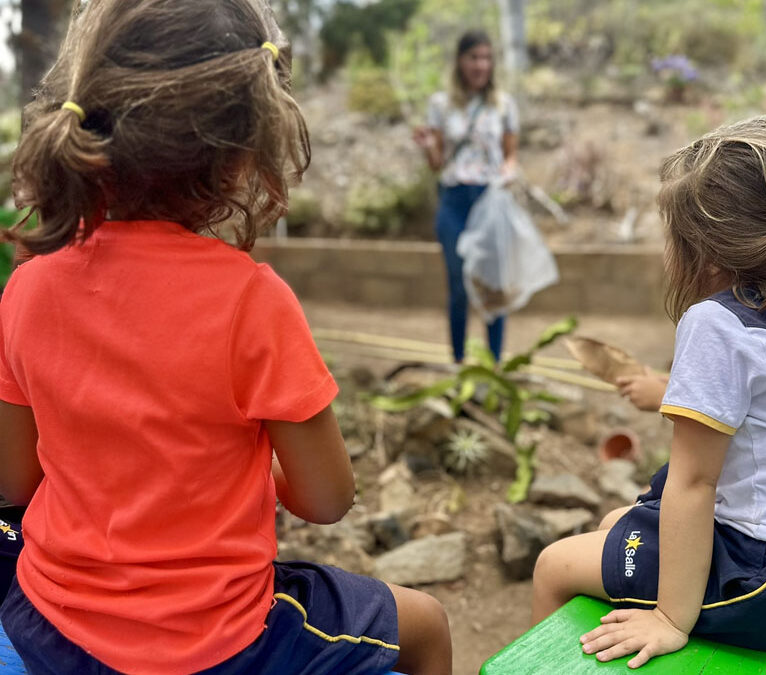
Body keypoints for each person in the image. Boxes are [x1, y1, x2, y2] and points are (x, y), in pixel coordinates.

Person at [0, 2, 451, 674]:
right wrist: (233, 475)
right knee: (427, 624)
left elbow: (13, 478)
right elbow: (328, 499)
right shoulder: (253, 300)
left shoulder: (30, 288)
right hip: (218, 641)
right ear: (242, 149)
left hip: (51, 629)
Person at [531, 116, 766, 668]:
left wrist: (672, 618)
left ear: (708, 252)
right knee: (611, 526)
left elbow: (695, 483)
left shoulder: (714, 323)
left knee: (555, 564)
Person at [413, 29, 519, 363]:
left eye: (486, 57)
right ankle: (458, 363)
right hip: (455, 200)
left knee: (492, 286)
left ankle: (494, 365)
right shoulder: (441, 105)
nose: (481, 65)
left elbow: (510, 154)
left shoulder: (503, 104)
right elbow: (436, 163)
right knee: (459, 287)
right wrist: (429, 147)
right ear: (460, 61)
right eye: (474, 57)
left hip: (490, 200)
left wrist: (508, 172)